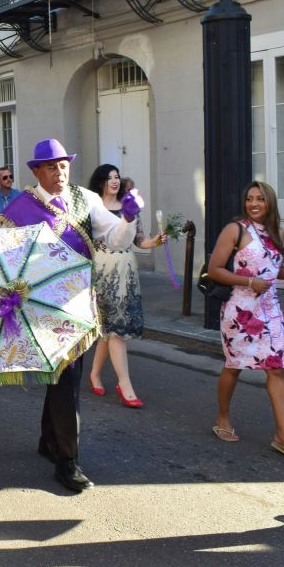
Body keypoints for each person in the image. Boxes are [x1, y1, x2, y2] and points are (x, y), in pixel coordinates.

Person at [0, 138, 142, 492]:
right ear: (36, 171)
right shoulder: (18, 210)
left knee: (66, 376)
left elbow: (117, 239)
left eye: (63, 165)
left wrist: (128, 217)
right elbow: (6, 260)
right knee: (65, 378)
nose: (59, 172)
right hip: (40, 305)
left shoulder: (86, 199)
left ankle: (51, 443)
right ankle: (67, 461)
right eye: (51, 166)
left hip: (78, 302)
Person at [208, 181, 284, 459]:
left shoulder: (277, 232)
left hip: (270, 309)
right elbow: (214, 269)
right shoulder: (235, 230)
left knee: (276, 368)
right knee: (234, 365)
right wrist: (249, 281)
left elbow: (272, 266)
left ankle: (283, 436)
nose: (254, 203)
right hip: (240, 311)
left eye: (260, 199)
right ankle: (223, 418)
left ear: (270, 203)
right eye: (250, 199)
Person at [86, 166, 166, 408]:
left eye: (117, 177)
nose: (114, 181)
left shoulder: (128, 206)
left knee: (110, 328)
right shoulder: (92, 208)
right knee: (116, 328)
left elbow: (140, 240)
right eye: (109, 177)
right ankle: (125, 384)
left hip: (127, 270)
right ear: (100, 181)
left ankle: (94, 374)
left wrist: (156, 241)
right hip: (103, 271)